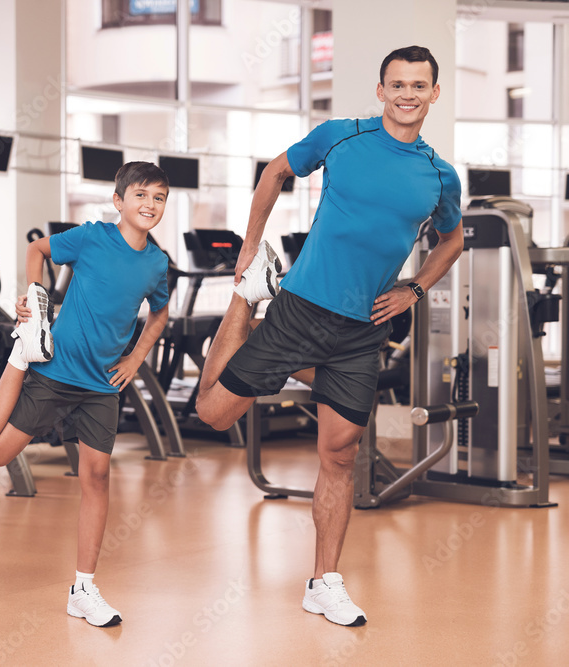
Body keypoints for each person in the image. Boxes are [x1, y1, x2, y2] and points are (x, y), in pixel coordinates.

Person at [196, 45, 464, 626]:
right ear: (381, 89)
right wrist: (248, 248)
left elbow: (453, 240)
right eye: (398, 84)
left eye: (419, 86)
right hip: (300, 309)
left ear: (434, 94)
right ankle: (246, 304)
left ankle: (324, 581)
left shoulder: (441, 176)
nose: (408, 95)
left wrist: (414, 288)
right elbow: (274, 172)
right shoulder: (342, 136)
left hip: (363, 329)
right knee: (216, 413)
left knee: (339, 453)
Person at [0, 161, 171, 627]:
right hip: (56, 369)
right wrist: (34, 295)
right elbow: (35, 249)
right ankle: (18, 359)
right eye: (141, 195)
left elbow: (160, 314)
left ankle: (83, 588)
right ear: (119, 201)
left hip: (101, 384)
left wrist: (135, 359)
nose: (149, 205)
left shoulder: (157, 263)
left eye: (159, 198)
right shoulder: (91, 237)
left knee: (98, 476)